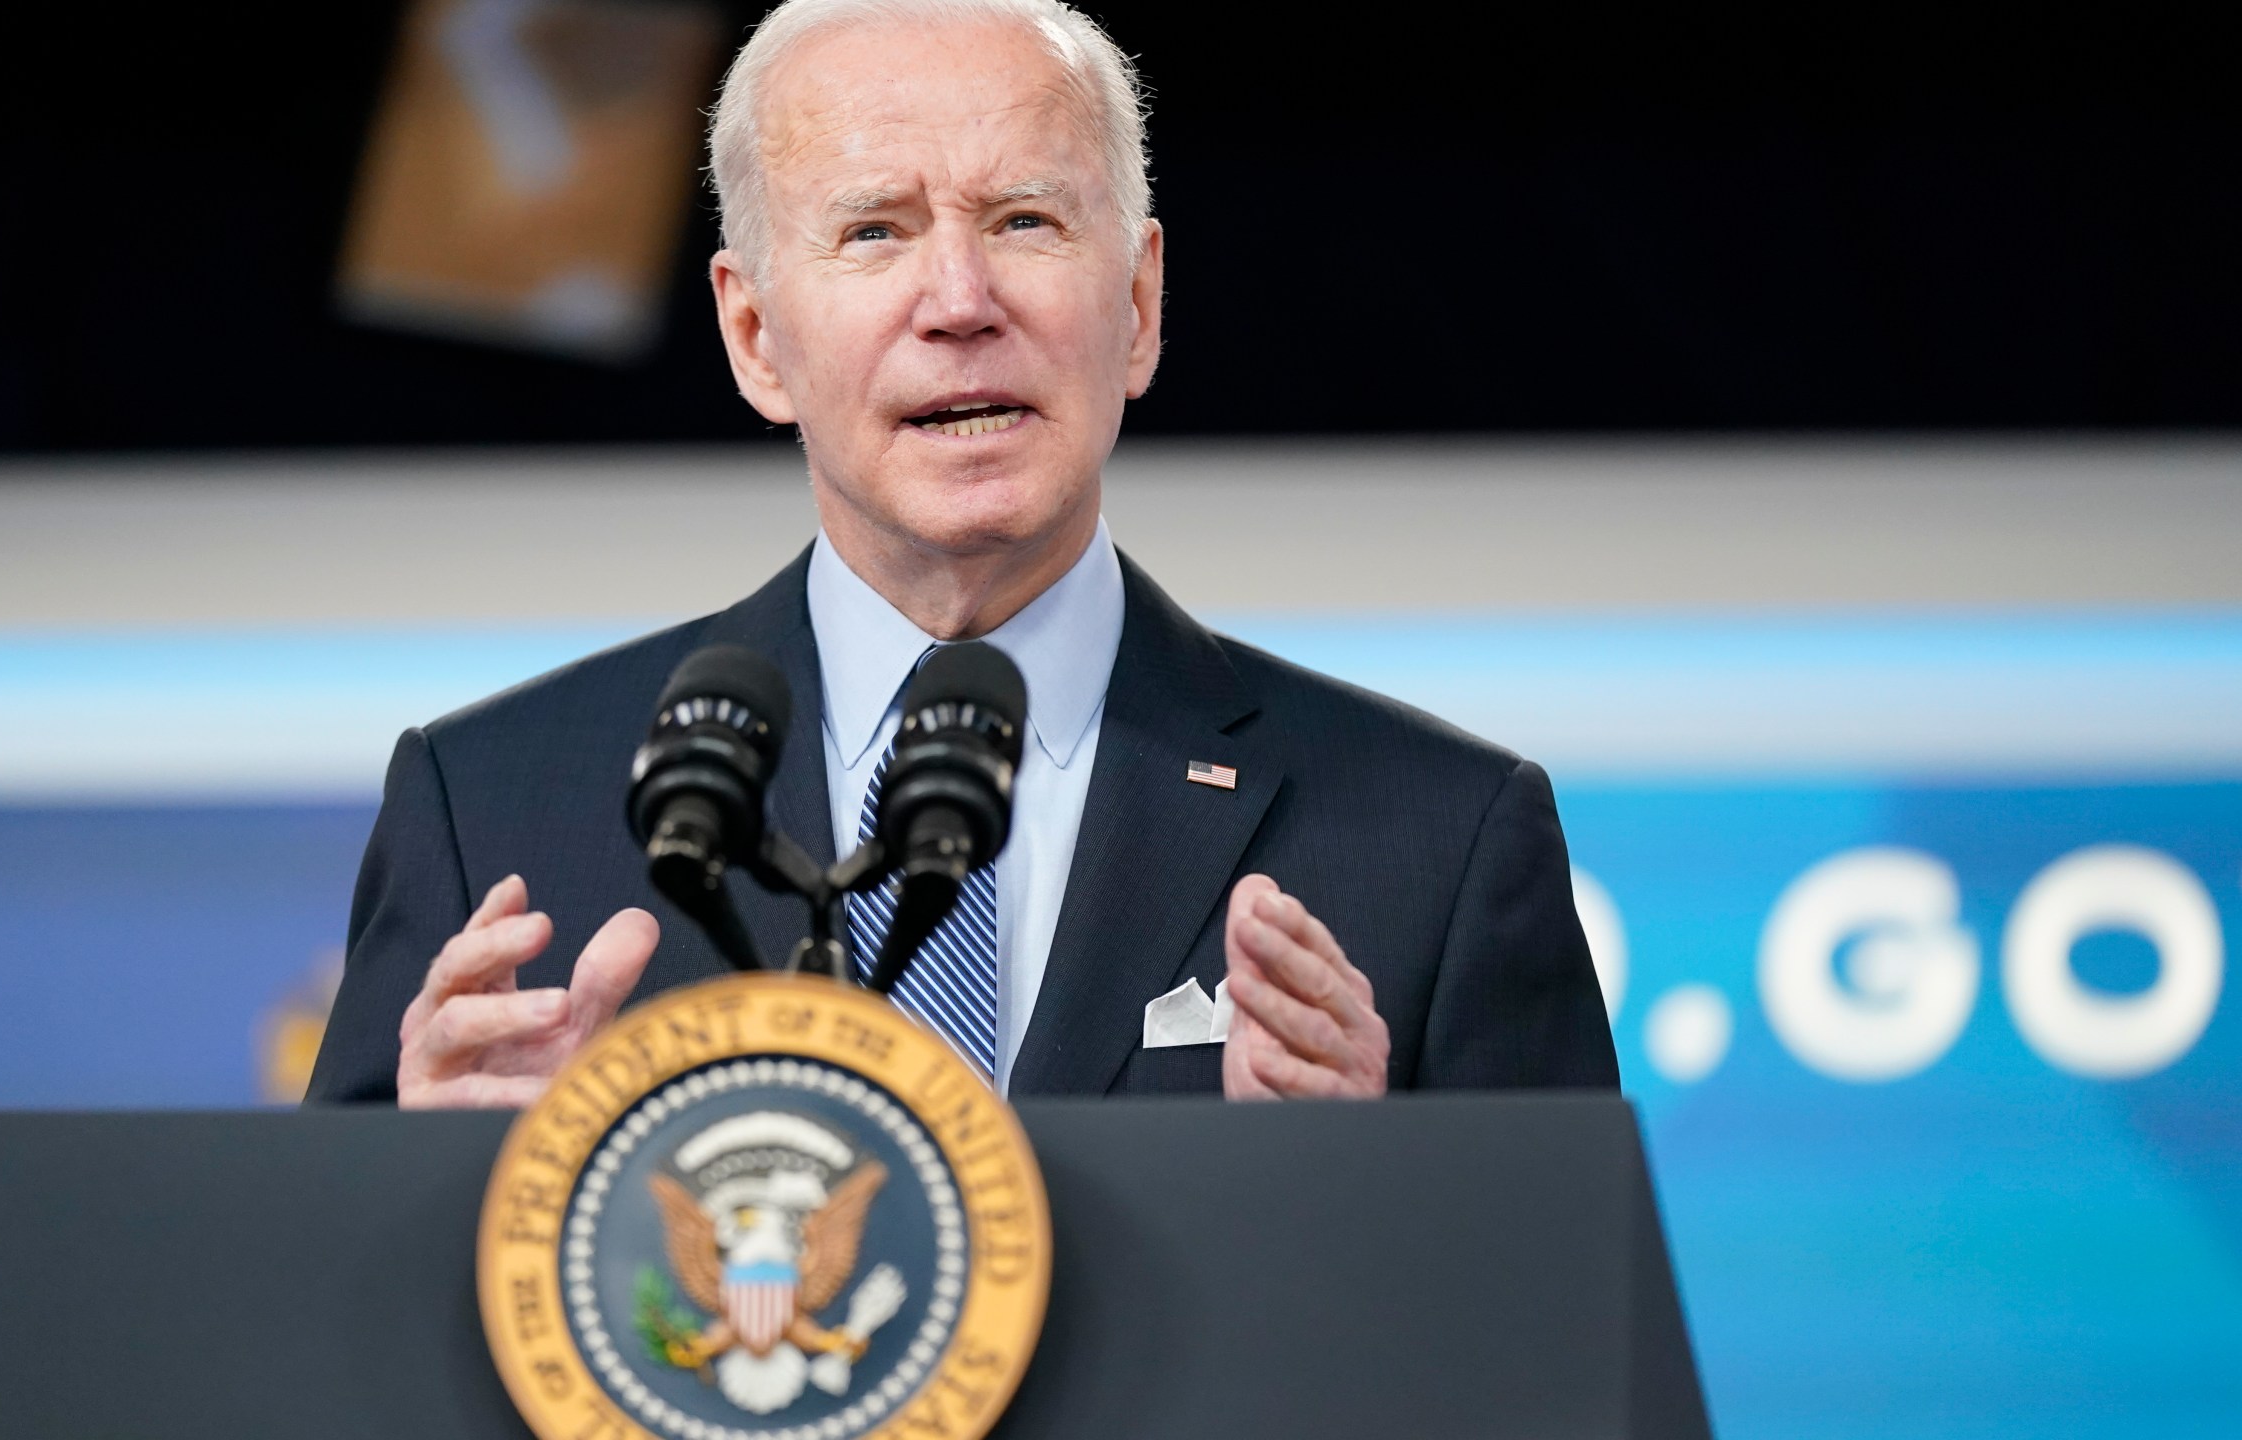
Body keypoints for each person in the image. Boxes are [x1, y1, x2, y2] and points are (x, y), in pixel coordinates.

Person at [305, 0, 1616, 1107]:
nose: (961, 302)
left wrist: (1406, 1201)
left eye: (1026, 222)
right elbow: (315, 1372)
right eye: (874, 229)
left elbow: (1572, 1373)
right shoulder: (492, 818)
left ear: (1143, 306)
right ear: (756, 336)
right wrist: (434, 1208)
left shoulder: (1438, 844)